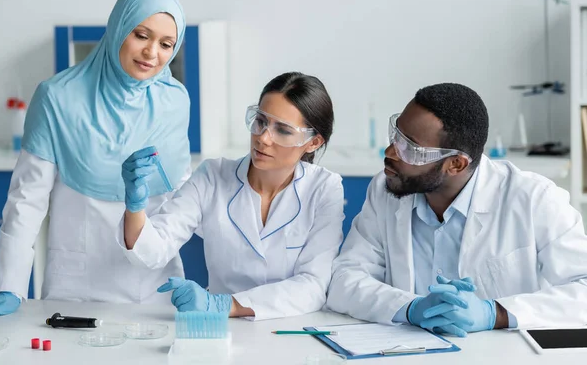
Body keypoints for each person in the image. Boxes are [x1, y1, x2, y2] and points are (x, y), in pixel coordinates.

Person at [0, 0, 192, 317]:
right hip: (78, 292)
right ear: (118, 27)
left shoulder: (175, 99)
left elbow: (182, 196)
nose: (152, 52)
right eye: (141, 35)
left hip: (157, 287)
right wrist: (9, 286)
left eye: (166, 44)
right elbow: (26, 202)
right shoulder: (57, 98)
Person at [326, 83, 587, 336]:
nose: (390, 152)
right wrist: (409, 307)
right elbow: (345, 279)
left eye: (410, 148)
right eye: (396, 136)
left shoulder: (534, 198)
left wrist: (494, 313)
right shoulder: (386, 189)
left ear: (456, 165)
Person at [120, 72, 344, 320]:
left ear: (313, 142)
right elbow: (153, 251)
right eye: (261, 121)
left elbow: (313, 285)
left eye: (283, 130)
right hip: (219, 328)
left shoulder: (324, 188)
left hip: (292, 327)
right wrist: (135, 205)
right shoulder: (213, 176)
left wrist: (224, 305)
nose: (263, 137)